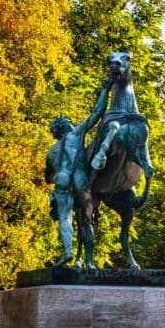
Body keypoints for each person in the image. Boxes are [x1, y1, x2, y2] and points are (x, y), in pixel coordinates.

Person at [45, 79, 111, 266]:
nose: (73, 124)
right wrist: (105, 90)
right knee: (86, 220)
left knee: (65, 218)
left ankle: (68, 252)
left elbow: (48, 177)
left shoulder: (51, 152)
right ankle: (89, 261)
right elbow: (97, 113)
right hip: (80, 179)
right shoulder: (75, 135)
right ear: (66, 127)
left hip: (62, 181)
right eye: (70, 123)